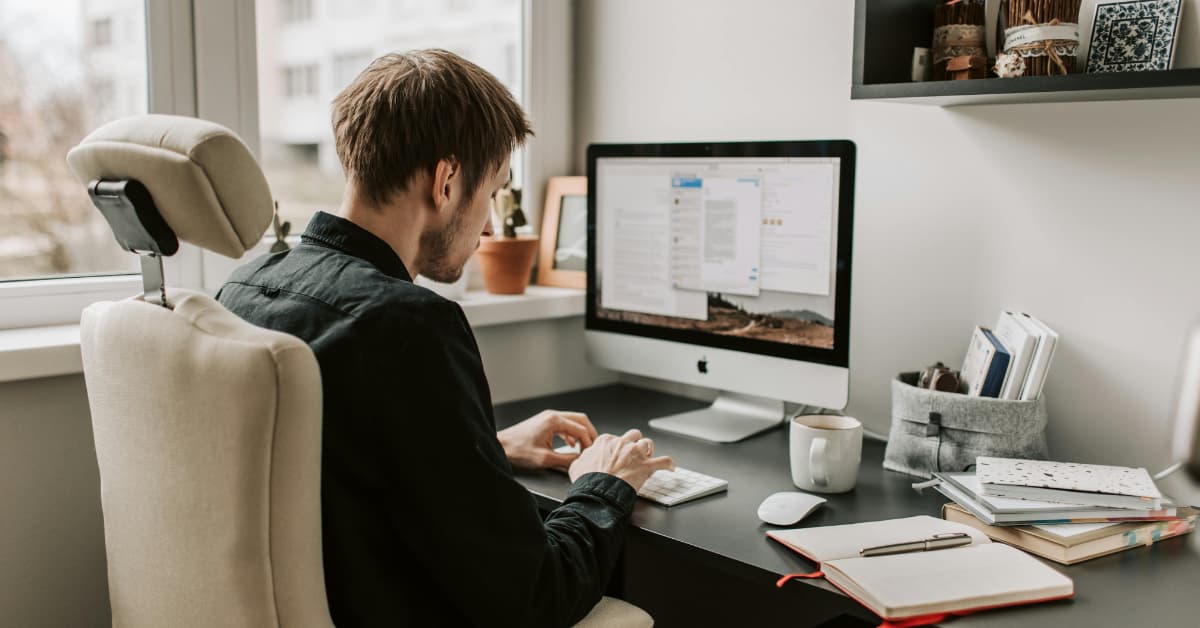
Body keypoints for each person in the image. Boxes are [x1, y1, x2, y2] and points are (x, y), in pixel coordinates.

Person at [216, 49, 674, 627]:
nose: (487, 224)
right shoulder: (406, 325)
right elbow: (533, 597)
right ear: (446, 180)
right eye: (492, 192)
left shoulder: (247, 286)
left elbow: (320, 469)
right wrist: (603, 486)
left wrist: (488, 448)